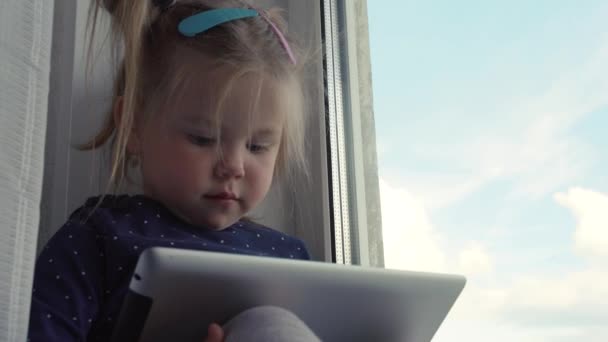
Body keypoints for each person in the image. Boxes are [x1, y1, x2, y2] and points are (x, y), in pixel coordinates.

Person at [28, 0, 320, 341]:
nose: (235, 167)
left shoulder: (291, 258)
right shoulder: (99, 238)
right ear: (134, 127)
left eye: (257, 146)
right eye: (203, 138)